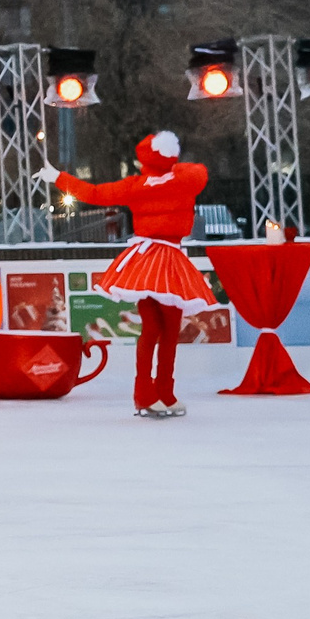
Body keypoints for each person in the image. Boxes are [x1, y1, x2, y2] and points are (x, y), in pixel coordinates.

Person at [42, 131, 216, 417]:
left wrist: (59, 178)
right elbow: (199, 172)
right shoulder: (184, 180)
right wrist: (171, 166)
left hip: (147, 260)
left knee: (155, 329)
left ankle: (151, 393)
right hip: (165, 259)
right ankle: (158, 392)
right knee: (166, 330)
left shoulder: (138, 185)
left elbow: (95, 193)